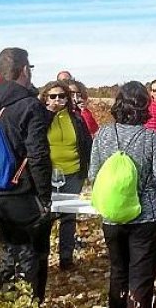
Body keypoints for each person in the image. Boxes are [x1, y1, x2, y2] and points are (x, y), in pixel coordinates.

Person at [0, 47, 53, 302]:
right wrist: (45, 196)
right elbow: (38, 155)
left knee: (7, 254)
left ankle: (5, 301)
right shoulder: (29, 105)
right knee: (32, 258)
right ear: (25, 70)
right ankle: (31, 302)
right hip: (23, 192)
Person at [89, 81, 156, 308]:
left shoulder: (102, 134)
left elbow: (93, 174)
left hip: (112, 215)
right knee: (141, 279)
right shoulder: (152, 138)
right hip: (145, 217)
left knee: (118, 273)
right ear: (145, 106)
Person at [39, 80, 92, 271]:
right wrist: (48, 114)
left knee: (68, 217)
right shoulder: (40, 118)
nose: (57, 100)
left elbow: (87, 143)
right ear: (45, 98)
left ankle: (66, 258)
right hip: (48, 175)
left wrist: (87, 170)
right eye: (52, 96)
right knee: (46, 217)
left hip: (73, 173)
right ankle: (42, 259)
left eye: (61, 96)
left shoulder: (75, 118)